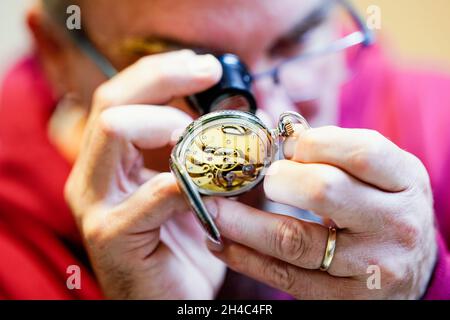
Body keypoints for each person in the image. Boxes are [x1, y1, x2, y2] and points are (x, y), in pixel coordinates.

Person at [0, 0, 449, 299]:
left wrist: (428, 283)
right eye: (197, 71)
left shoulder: (437, 128)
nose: (266, 121)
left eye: (299, 40)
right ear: (56, 55)